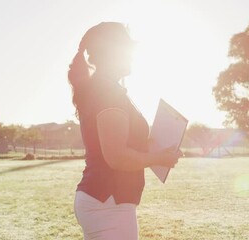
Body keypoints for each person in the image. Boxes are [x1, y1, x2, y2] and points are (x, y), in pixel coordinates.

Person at [67, 22, 182, 239]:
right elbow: (117, 157)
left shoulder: (105, 89)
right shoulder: (107, 92)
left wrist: (157, 149)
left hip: (105, 200)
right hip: (107, 202)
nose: (131, 56)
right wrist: (159, 157)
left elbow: (117, 145)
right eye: (127, 50)